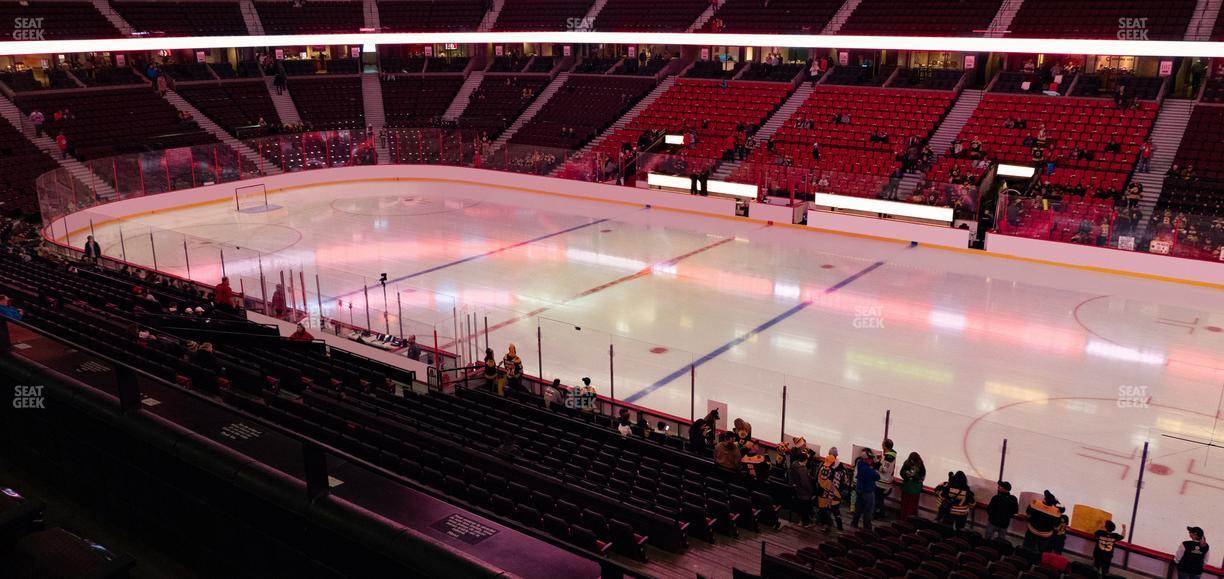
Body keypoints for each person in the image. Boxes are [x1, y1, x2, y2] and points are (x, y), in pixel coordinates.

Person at [851, 448, 880, 529]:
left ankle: (854, 523)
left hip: (859, 490)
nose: (871, 460)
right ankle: (867, 528)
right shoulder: (868, 470)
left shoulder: (860, 464)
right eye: (869, 459)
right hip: (868, 492)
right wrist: (875, 469)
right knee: (868, 511)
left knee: (858, 509)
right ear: (865, 459)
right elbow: (877, 477)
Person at [816, 449, 845, 531]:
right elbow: (845, 481)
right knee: (831, 511)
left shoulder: (835, 469)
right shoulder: (841, 468)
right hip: (831, 493)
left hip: (832, 494)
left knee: (831, 510)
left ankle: (835, 527)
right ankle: (833, 526)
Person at [788, 450, 815, 526]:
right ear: (805, 460)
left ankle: (804, 519)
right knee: (805, 507)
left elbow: (790, 476)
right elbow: (805, 483)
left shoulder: (794, 464)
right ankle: (806, 522)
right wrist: (811, 491)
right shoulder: (802, 469)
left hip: (796, 490)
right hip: (803, 493)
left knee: (801, 506)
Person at [898, 452, 925, 519]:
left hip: (914, 490)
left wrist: (914, 476)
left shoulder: (921, 466)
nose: (912, 462)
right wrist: (906, 474)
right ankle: (903, 519)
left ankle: (908, 520)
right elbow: (901, 472)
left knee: (910, 507)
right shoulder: (907, 463)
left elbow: (921, 478)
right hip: (907, 488)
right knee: (904, 506)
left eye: (913, 460)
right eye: (911, 460)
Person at [875, 439, 897, 519]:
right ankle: (880, 513)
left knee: (879, 499)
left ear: (885, 446)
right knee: (879, 499)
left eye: (882, 444)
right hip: (886, 480)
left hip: (882, 481)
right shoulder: (891, 455)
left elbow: (884, 469)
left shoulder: (889, 457)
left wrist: (877, 465)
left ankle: (881, 514)